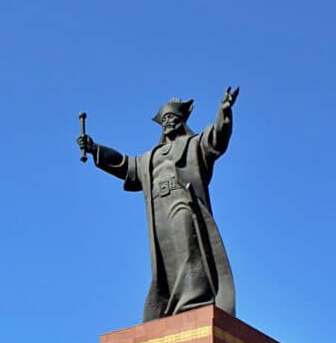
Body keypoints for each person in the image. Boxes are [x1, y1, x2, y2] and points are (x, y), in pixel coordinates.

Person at [77, 87, 239, 321]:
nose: (167, 123)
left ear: (181, 120)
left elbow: (216, 138)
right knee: (166, 260)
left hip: (183, 202)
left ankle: (194, 302)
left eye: (171, 118)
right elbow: (125, 165)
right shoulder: (150, 157)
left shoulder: (193, 145)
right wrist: (95, 149)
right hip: (159, 211)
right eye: (164, 120)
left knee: (188, 248)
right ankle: (172, 307)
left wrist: (224, 111)